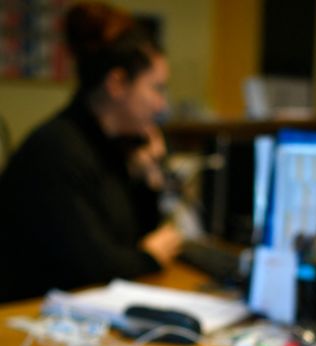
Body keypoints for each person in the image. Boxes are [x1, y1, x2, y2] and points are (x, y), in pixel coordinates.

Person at [0, 1, 182, 302]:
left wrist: (148, 179)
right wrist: (149, 256)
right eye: (156, 88)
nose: (162, 105)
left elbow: (135, 237)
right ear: (117, 84)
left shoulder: (110, 147)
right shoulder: (57, 150)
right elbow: (95, 267)